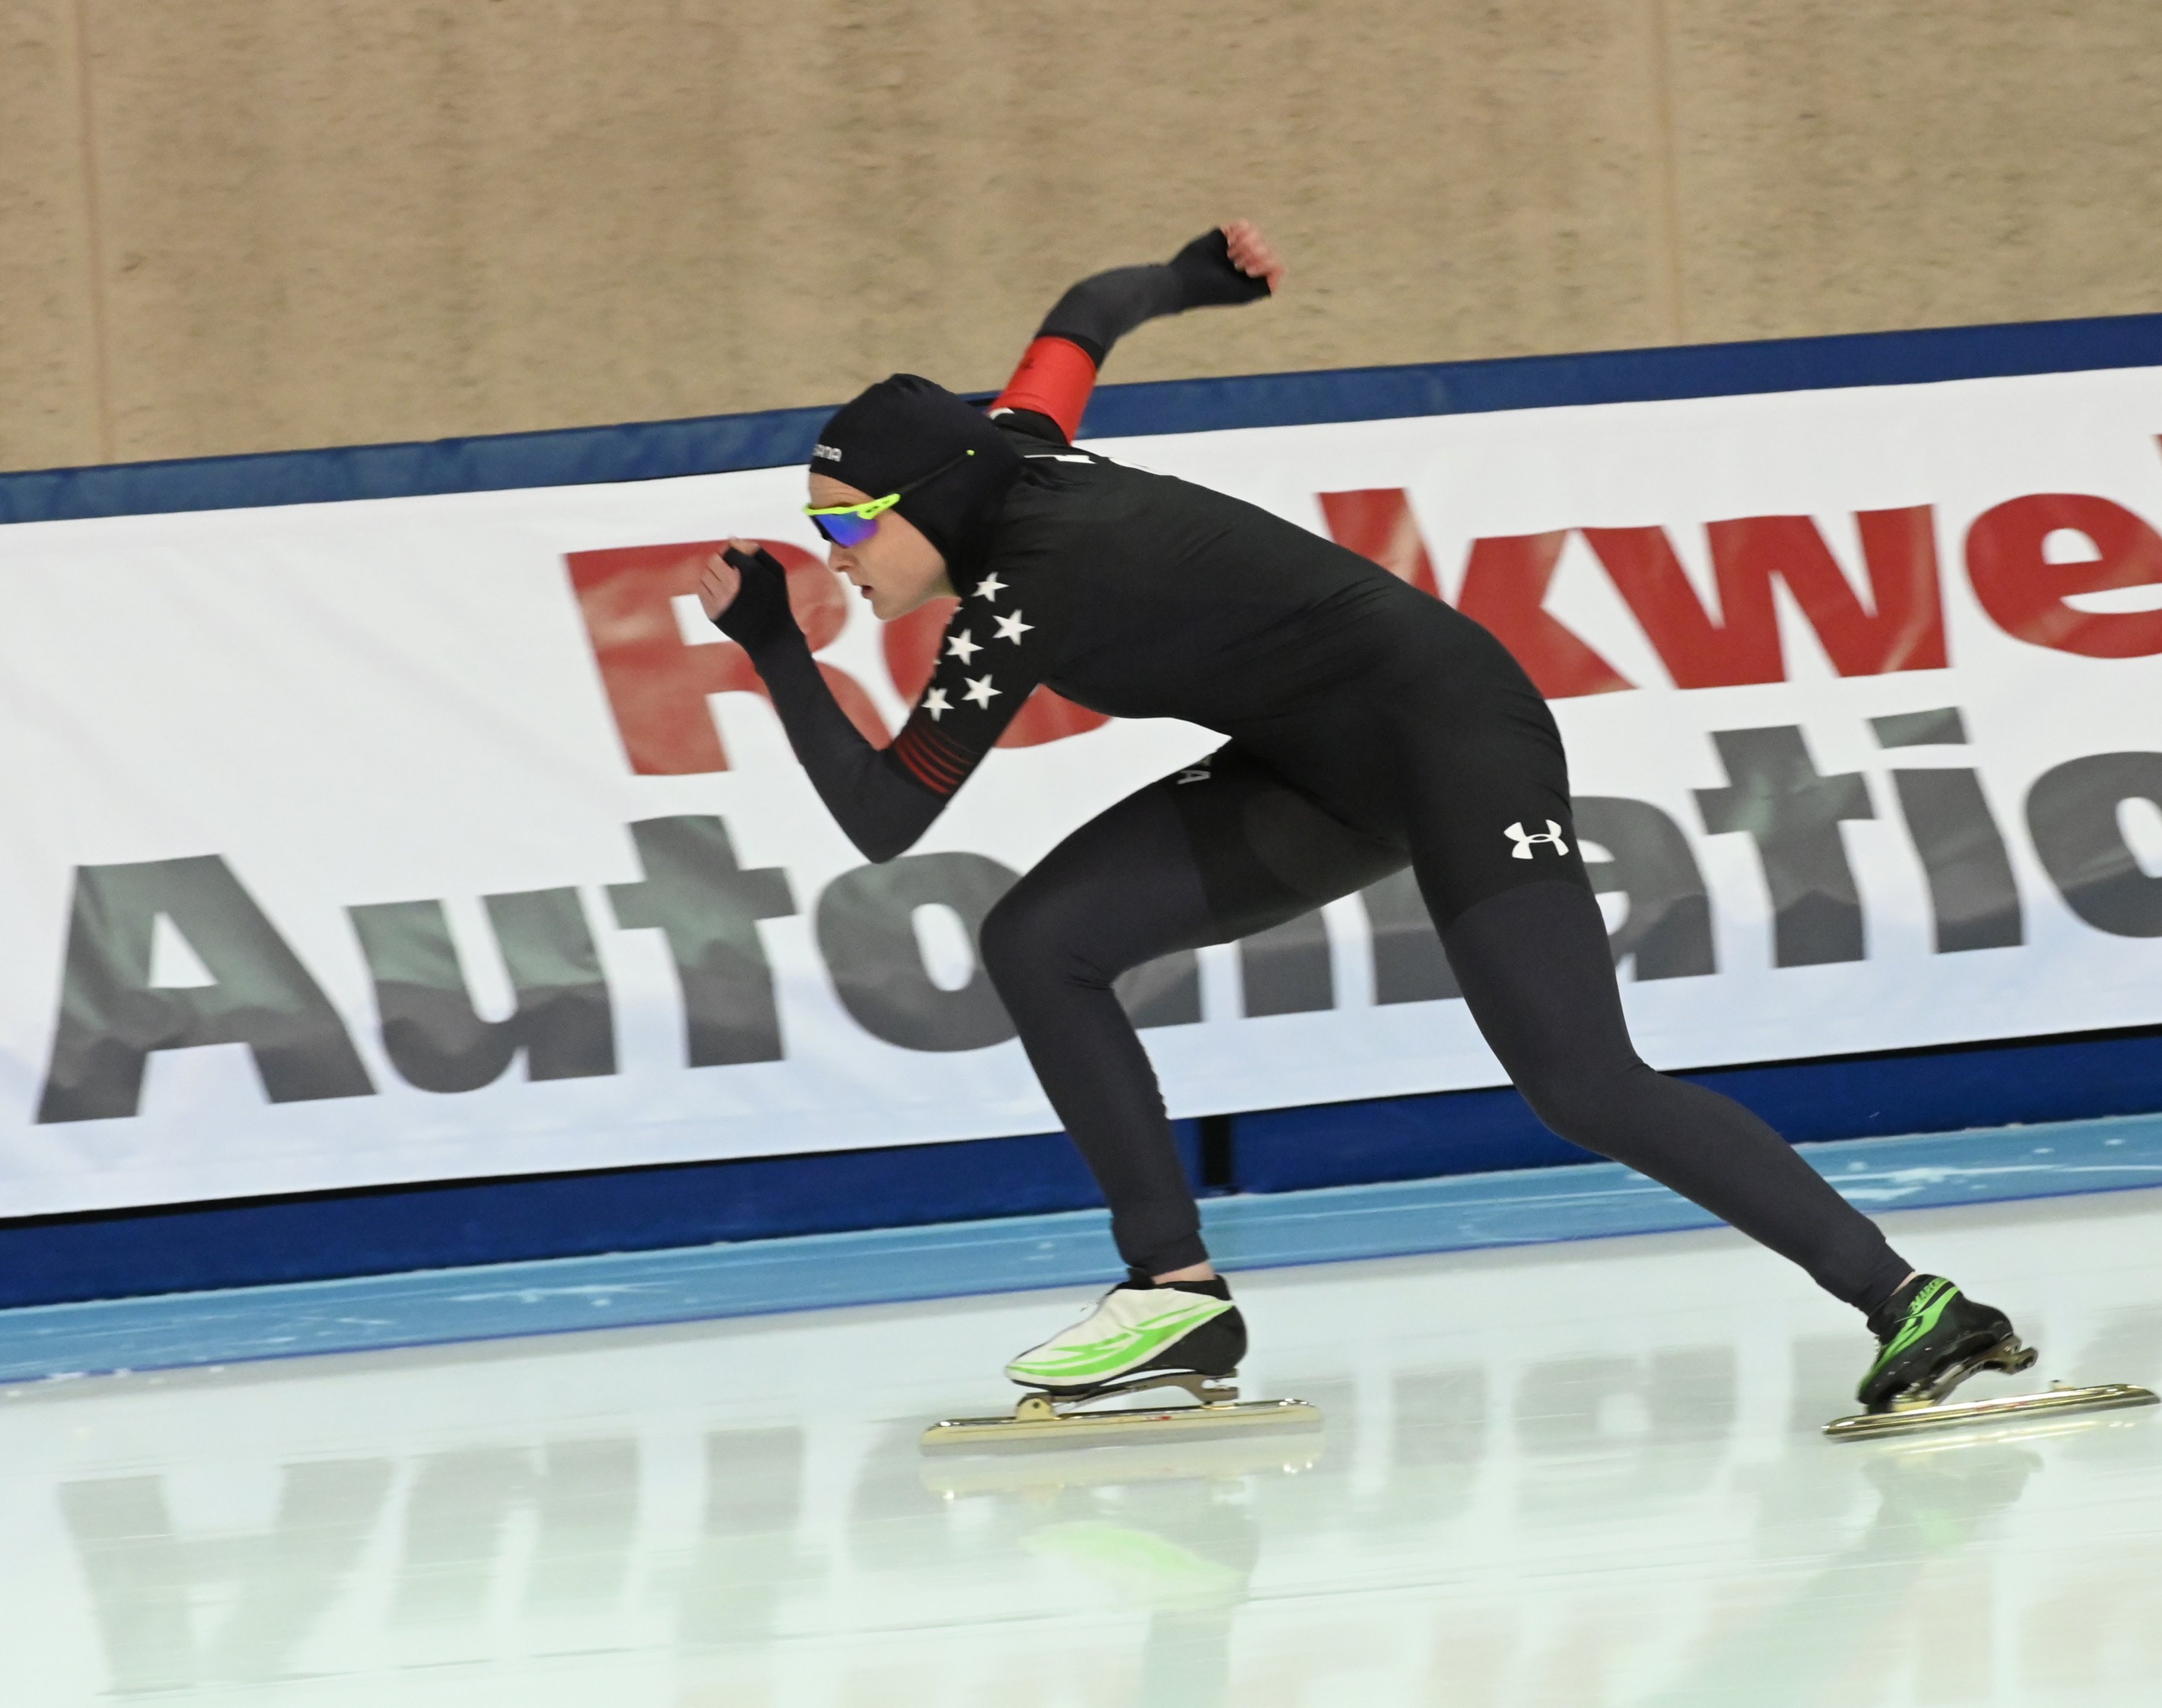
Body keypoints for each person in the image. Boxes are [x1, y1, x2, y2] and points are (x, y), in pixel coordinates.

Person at [693, 222, 2028, 1420]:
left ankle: (1910, 1301)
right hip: (1310, 763)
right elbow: (1081, 315)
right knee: (1041, 939)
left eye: (845, 530)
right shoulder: (1011, 451)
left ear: (921, 502)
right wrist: (1191, 278)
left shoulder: (1023, 591)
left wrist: (771, 643)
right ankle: (1176, 1296)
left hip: (1455, 740)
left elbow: (883, 819)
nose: (837, 563)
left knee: (1580, 1082)